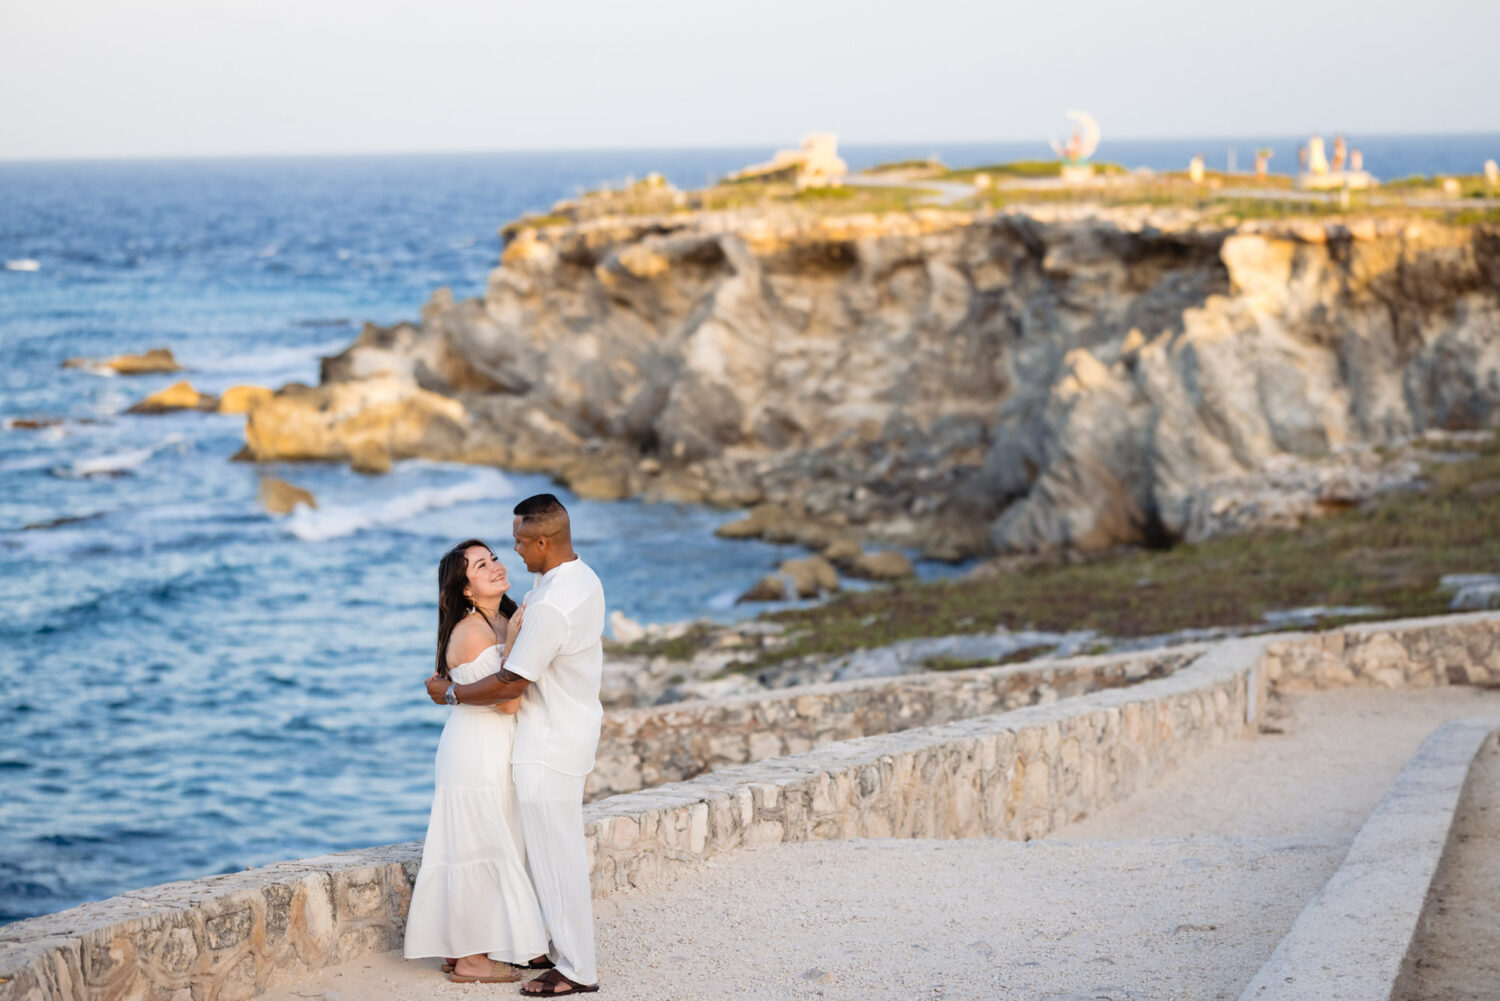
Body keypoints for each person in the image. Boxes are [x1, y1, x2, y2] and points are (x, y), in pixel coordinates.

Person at [427, 494, 604, 996]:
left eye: (518, 543)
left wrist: (451, 693)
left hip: (548, 741)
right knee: (530, 850)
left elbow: (508, 685)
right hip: (555, 733)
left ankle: (575, 968)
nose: (513, 552)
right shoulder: (578, 578)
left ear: (543, 541)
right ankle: (516, 947)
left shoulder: (548, 604)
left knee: (555, 855)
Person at [404, 539, 550, 984]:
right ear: (465, 589)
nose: (495, 567)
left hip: (494, 745)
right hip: (477, 749)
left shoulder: (502, 618)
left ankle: (463, 947)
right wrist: (519, 638)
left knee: (485, 843)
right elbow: (505, 704)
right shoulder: (472, 632)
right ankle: (471, 960)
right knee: (476, 846)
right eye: (480, 565)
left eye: (494, 558)